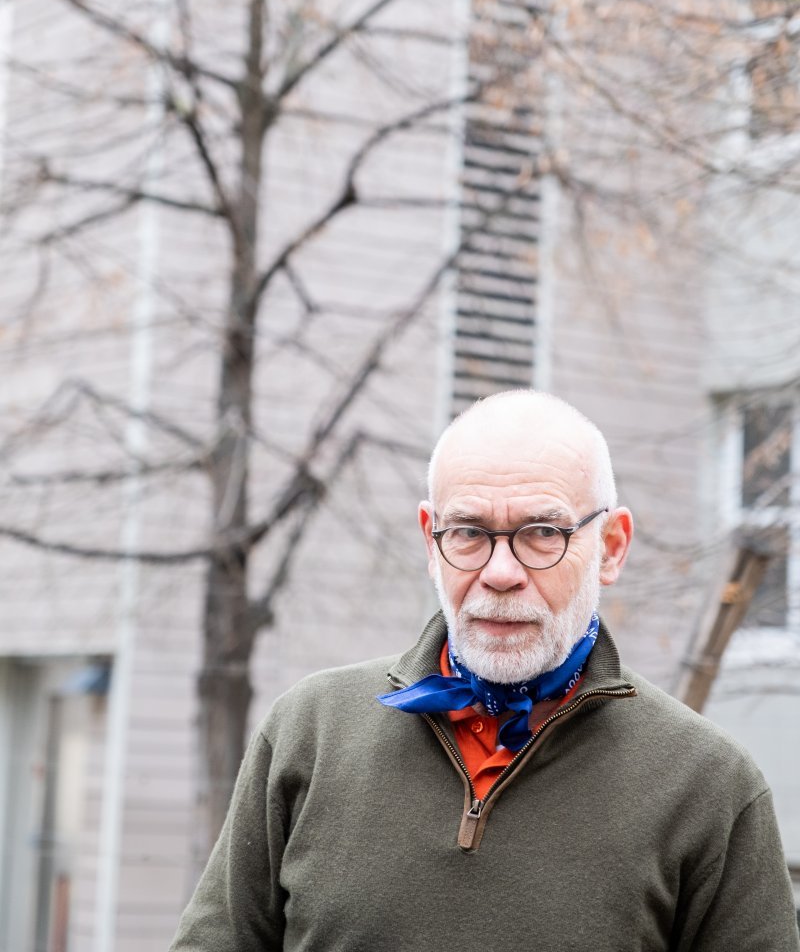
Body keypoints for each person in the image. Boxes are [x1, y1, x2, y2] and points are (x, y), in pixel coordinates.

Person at [170, 390, 800, 951]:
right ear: (430, 541)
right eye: (469, 532)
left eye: (541, 533)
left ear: (610, 548)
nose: (500, 573)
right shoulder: (309, 732)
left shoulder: (709, 786)